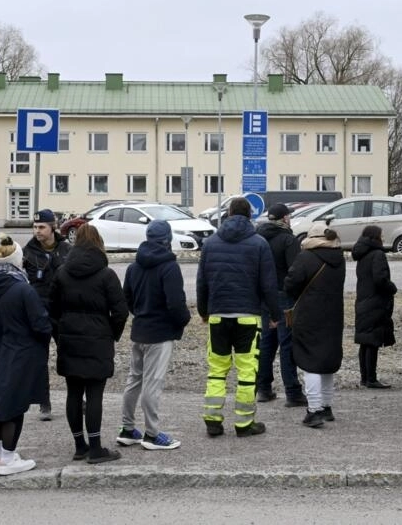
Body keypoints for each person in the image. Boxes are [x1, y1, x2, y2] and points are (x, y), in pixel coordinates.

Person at [196, 197, 281, 438]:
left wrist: (204, 312)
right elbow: (268, 284)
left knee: (217, 369)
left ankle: (212, 419)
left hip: (218, 316)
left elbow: (202, 282)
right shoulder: (259, 243)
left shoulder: (211, 244)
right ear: (249, 216)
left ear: (229, 214)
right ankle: (244, 423)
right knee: (246, 371)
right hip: (247, 317)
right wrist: (274, 315)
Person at [49, 224, 128, 464]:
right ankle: (95, 447)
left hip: (70, 341)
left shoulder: (61, 273)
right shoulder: (106, 275)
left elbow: (51, 312)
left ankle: (79, 445)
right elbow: (121, 312)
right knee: (95, 395)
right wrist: (111, 334)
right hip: (98, 341)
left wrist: (59, 336)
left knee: (73, 393)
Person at [0, 234, 52, 476]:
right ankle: (8, 458)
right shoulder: (22, 289)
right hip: (18, 354)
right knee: (14, 406)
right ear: (18, 260)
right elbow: (41, 325)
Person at [116, 220, 190, 451]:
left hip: (139, 330)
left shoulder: (133, 267)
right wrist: (183, 320)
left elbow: (126, 298)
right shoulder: (169, 267)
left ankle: (127, 429)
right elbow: (176, 303)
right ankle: (152, 434)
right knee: (152, 384)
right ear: (168, 240)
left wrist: (139, 313)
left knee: (134, 380)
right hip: (160, 333)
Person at [284, 223, 346, 428]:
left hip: (310, 316)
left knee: (310, 362)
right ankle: (327, 407)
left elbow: (290, 284)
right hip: (334, 315)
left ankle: (314, 410)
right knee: (327, 362)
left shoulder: (305, 258)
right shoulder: (340, 259)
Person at [22, 208, 72, 421]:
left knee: (69, 356)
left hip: (62, 312)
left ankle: (77, 398)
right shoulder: (27, 252)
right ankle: (44, 402)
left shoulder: (66, 249)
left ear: (53, 227)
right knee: (39, 359)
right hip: (39, 312)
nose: (37, 231)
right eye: (35, 227)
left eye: (41, 227)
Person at [255, 202, 304, 406]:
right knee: (287, 343)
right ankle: (292, 392)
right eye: (288, 216)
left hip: (264, 296)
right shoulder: (288, 239)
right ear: (284, 218)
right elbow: (295, 271)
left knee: (266, 343)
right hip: (284, 296)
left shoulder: (259, 239)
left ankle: (264, 389)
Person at [351, 225, 397, 389]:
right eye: (381, 234)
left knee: (365, 341)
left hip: (363, 301)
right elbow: (380, 279)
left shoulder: (362, 254)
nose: (383, 237)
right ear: (375, 237)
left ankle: (365, 378)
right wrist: (392, 287)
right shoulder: (377, 254)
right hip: (375, 302)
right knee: (372, 341)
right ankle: (371, 378)